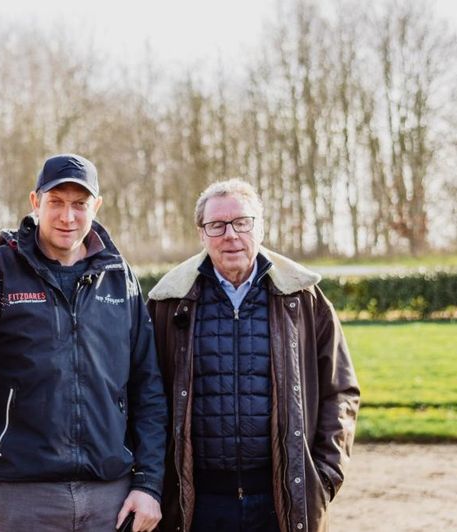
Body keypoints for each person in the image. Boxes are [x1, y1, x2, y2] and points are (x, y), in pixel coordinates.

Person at [0, 154, 168, 532]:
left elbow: (148, 389)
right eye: (56, 202)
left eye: (79, 205)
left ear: (96, 207)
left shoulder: (121, 280)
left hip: (111, 497)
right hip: (24, 496)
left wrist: (149, 484)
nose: (68, 217)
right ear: (35, 202)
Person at [145, 179, 360, 532]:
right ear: (202, 234)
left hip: (281, 500)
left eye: (242, 222)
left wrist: (326, 474)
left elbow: (341, 391)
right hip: (197, 503)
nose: (230, 235)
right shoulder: (168, 302)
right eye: (216, 225)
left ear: (260, 228)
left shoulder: (303, 299)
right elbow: (145, 396)